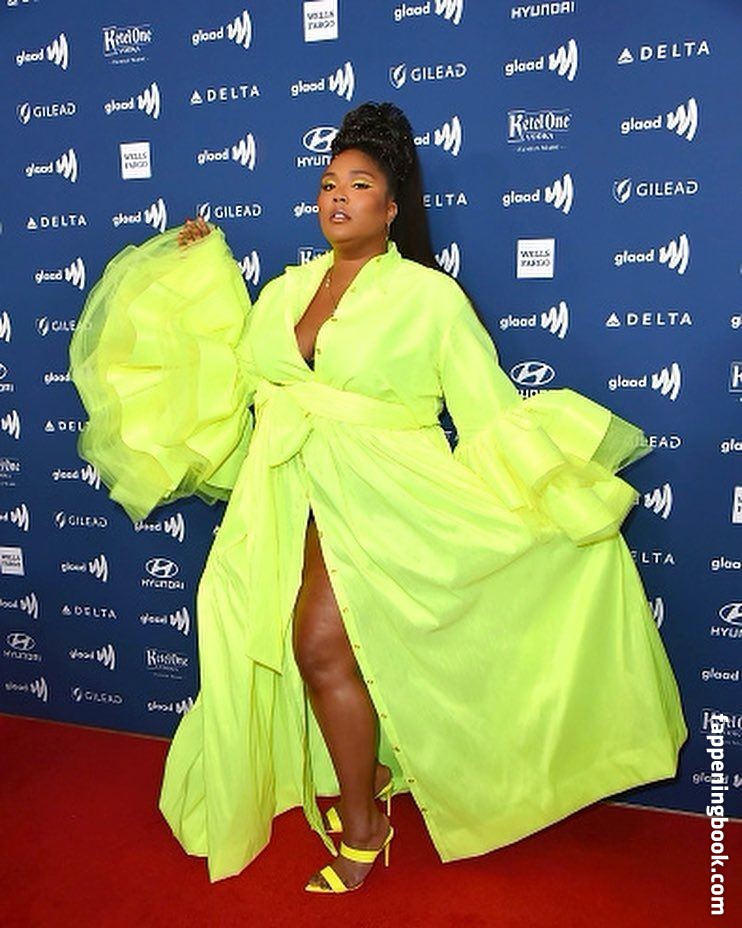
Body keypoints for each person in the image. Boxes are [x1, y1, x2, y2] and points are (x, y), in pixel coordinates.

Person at [69, 102, 688, 894]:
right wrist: (200, 273)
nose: (339, 197)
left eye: (359, 185)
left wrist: (556, 495)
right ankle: (371, 787)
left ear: (392, 208)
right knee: (320, 645)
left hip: (392, 494)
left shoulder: (430, 298)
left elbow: (487, 409)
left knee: (320, 644)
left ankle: (366, 826)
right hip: (292, 490)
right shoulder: (284, 291)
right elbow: (237, 379)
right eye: (329, 183)